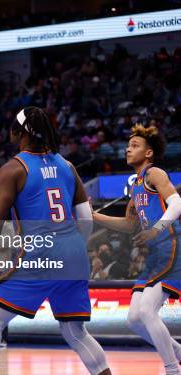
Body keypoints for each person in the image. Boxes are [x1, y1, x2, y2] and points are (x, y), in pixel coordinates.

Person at [0, 107, 111, 375]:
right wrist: (75, 247)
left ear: (17, 132)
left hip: (42, 253)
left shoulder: (12, 170)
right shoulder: (67, 166)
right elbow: (86, 217)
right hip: (74, 252)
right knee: (74, 330)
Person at [94, 124, 181, 375]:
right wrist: (94, 215)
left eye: (135, 146)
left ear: (149, 153)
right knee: (133, 319)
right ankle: (177, 353)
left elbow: (177, 202)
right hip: (156, 254)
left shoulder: (155, 173)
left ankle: (172, 369)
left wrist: (156, 229)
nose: (128, 150)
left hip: (172, 245)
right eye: (128, 145)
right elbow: (129, 224)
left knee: (146, 310)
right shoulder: (136, 186)